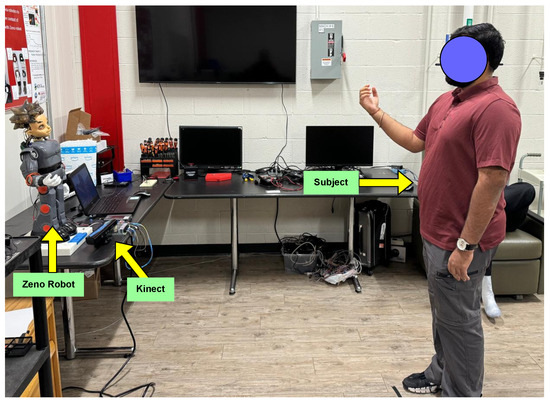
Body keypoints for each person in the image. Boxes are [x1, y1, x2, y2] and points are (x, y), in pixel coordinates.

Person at [359, 23, 521, 397]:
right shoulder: (449, 100)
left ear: (484, 61)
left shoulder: (497, 110)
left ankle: (462, 393)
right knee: (444, 315)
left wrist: (465, 246)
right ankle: (440, 371)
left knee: (460, 322)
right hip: (436, 232)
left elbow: (492, 181)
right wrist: (376, 112)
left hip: (461, 240)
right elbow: (415, 141)